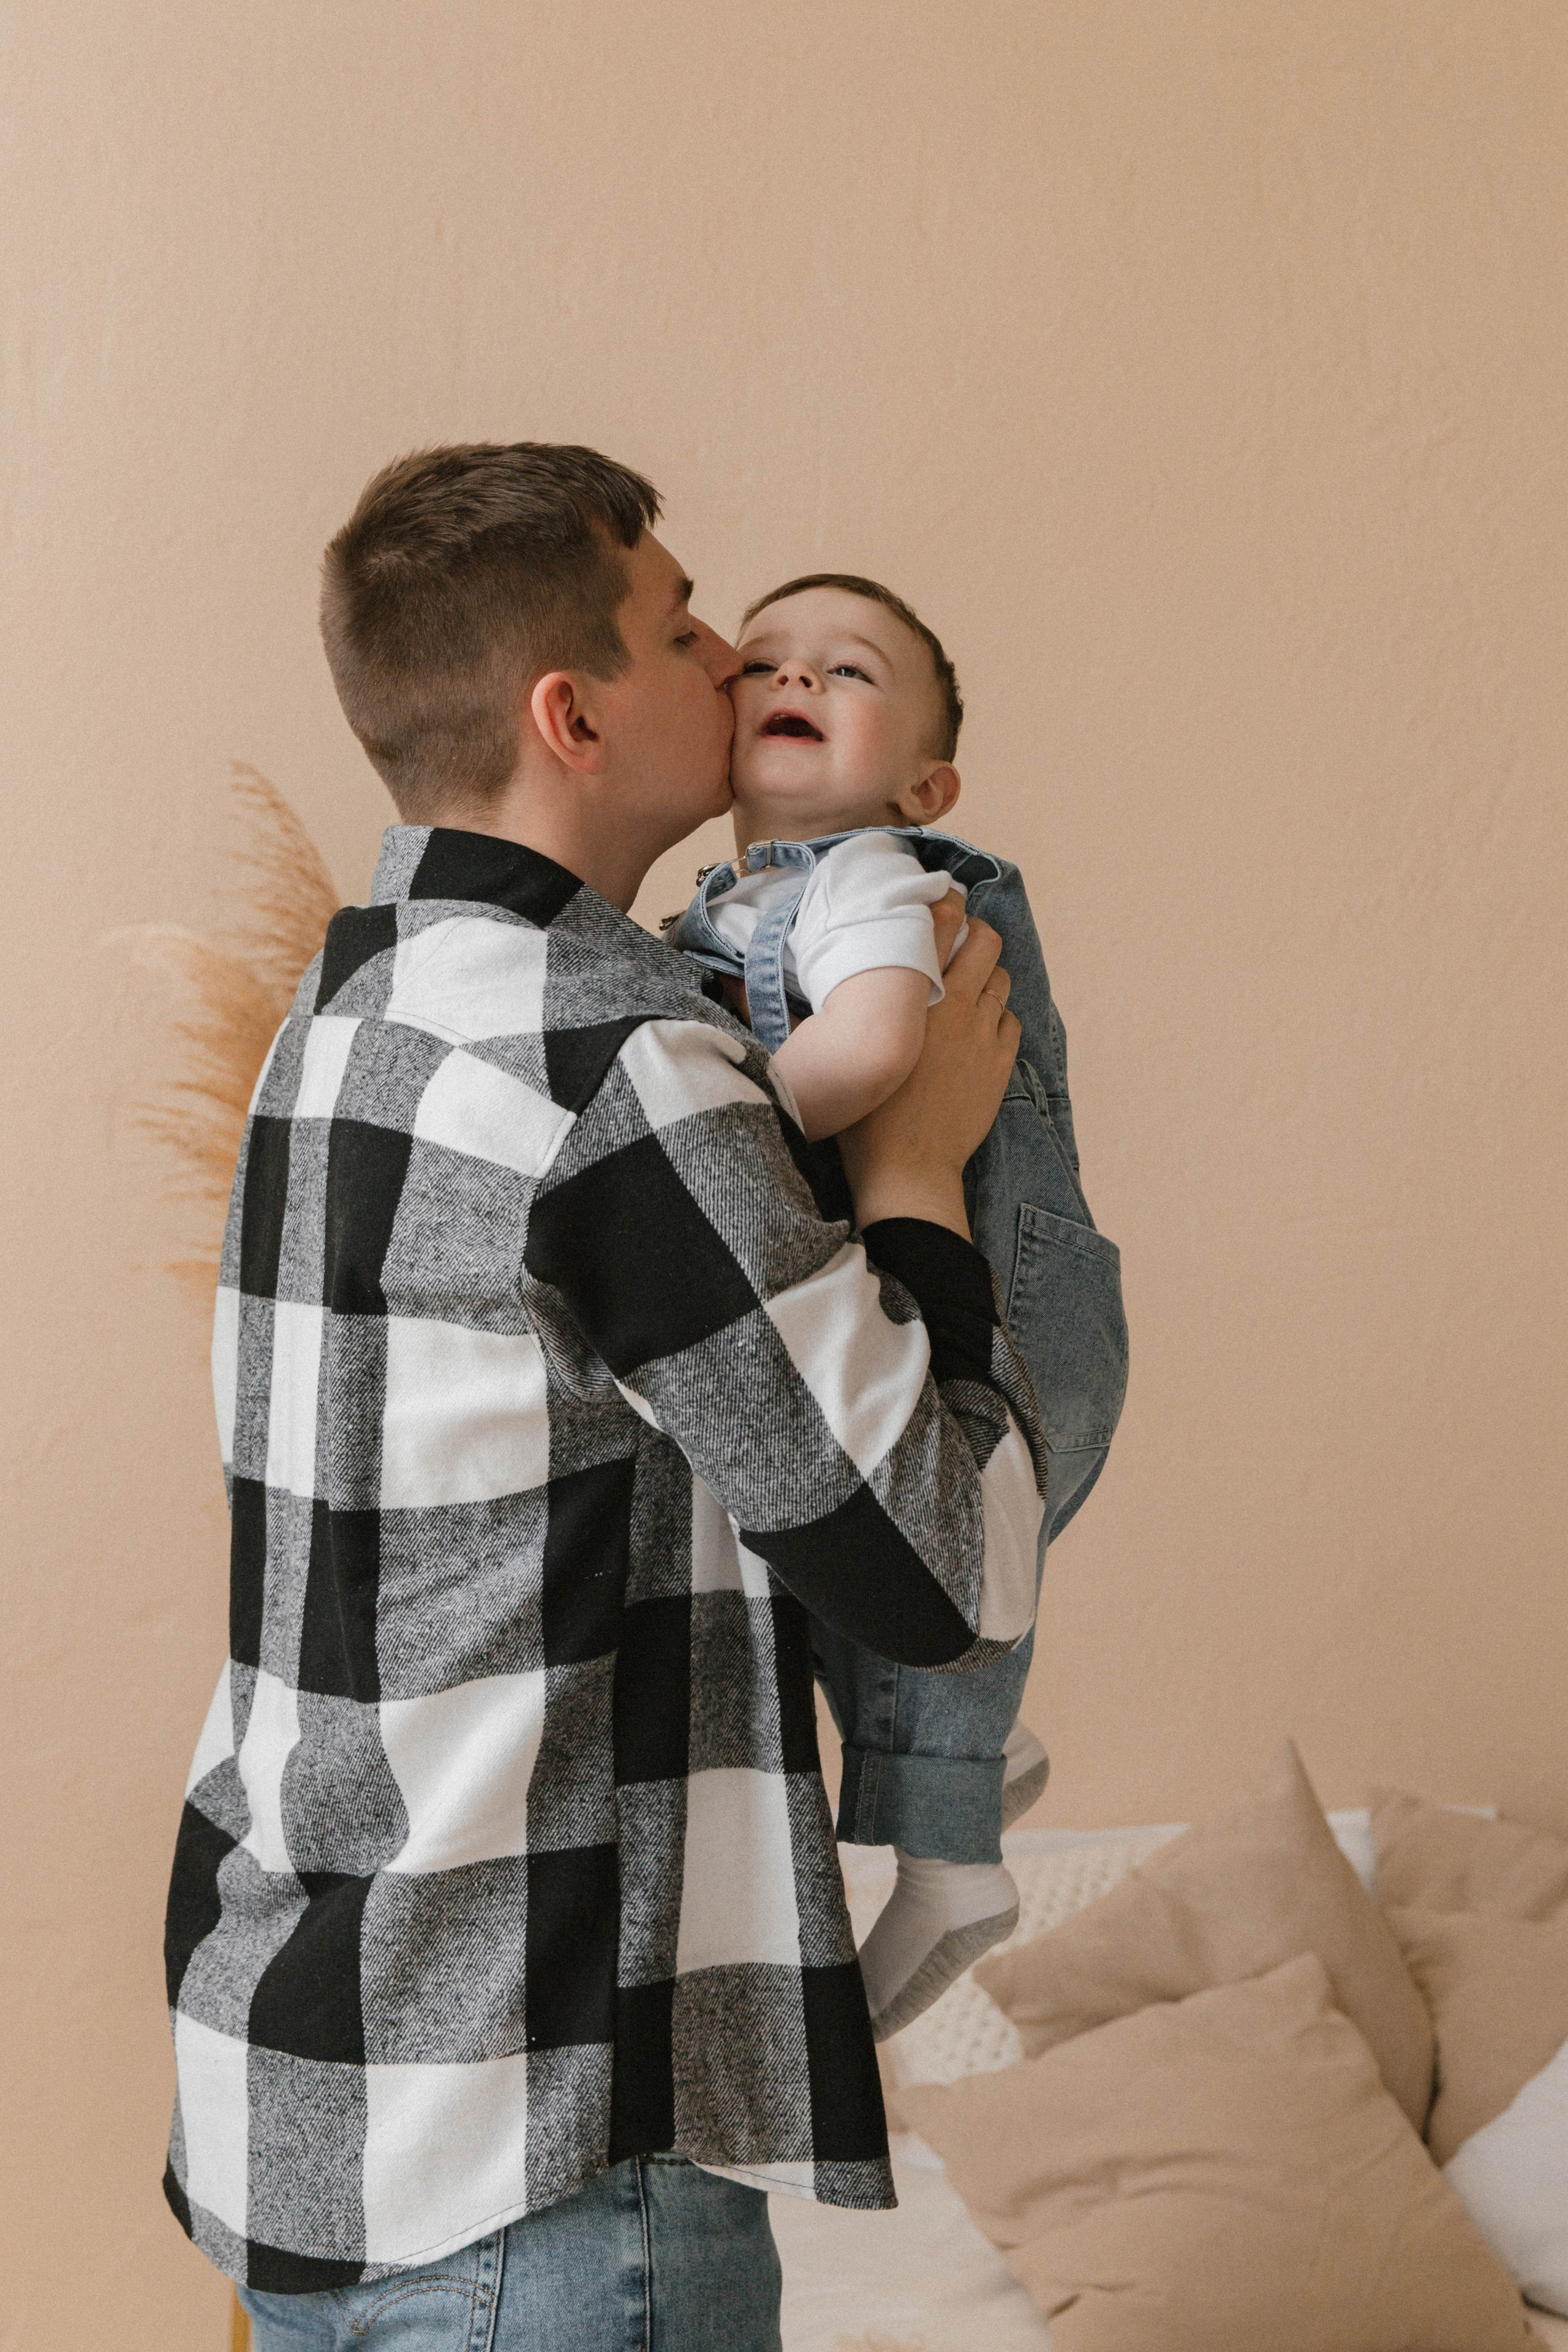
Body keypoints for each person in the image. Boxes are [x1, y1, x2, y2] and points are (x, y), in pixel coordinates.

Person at [160, 443, 1047, 2350]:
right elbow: (925, 1565)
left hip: (304, 2099)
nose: (737, 658)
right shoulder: (611, 1060)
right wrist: (918, 1163)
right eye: (682, 622)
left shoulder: (343, 1020)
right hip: (533, 2159)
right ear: (572, 713)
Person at [669, 575, 1128, 2039]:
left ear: (925, 781)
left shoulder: (867, 874)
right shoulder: (733, 905)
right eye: (767, 660)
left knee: (918, 1535)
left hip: (998, 1284)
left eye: (845, 669)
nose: (794, 673)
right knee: (842, 1543)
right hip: (937, 1264)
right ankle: (970, 1776)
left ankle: (949, 1861)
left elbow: (868, 1050)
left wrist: (689, 1145)